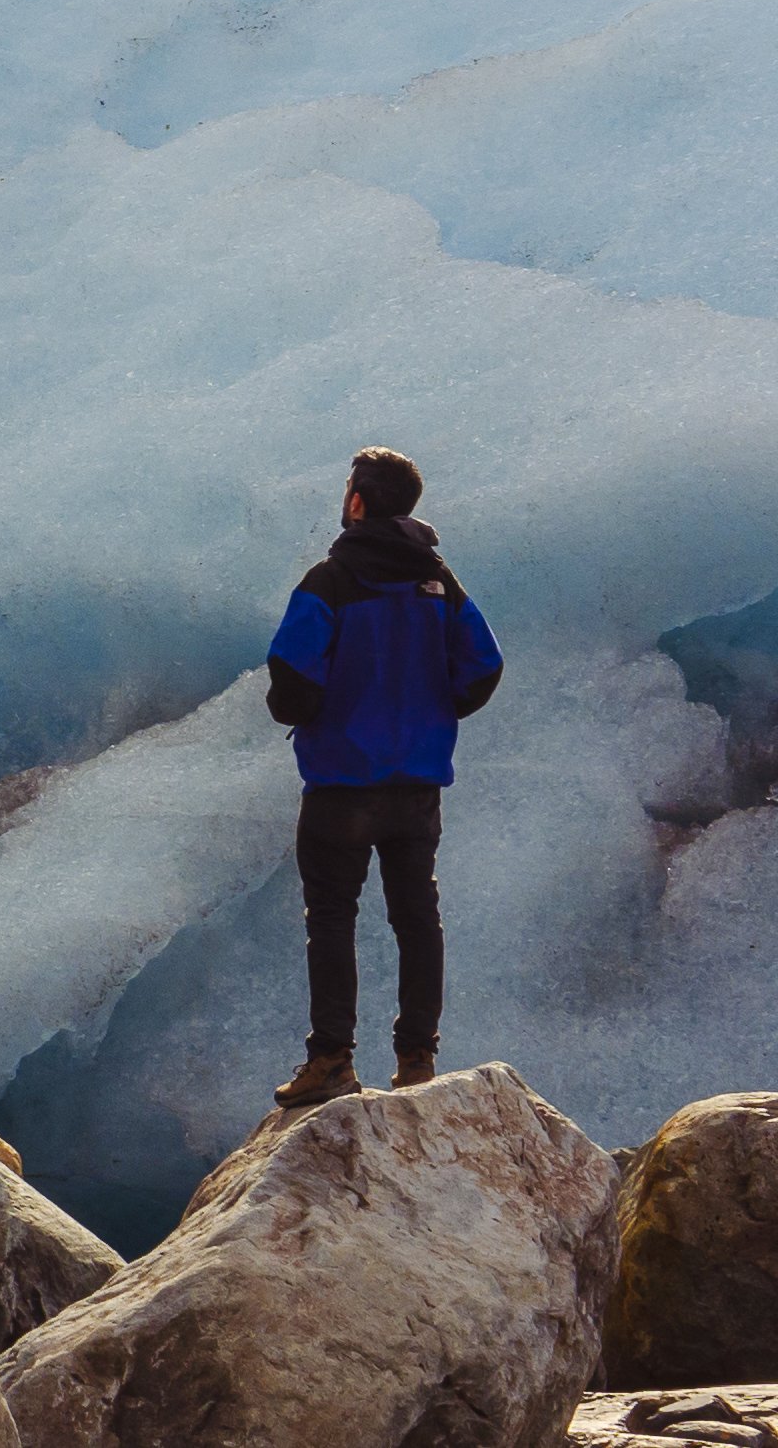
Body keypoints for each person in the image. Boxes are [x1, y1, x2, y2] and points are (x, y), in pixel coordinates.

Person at [260, 445, 501, 1107]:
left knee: (333, 919)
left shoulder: (330, 582)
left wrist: (308, 713)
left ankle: (332, 1059)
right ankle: (417, 1061)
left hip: (341, 781)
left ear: (358, 502)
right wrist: (432, 711)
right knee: (417, 917)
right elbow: (482, 666)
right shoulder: (439, 584)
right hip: (416, 783)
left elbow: (293, 672)